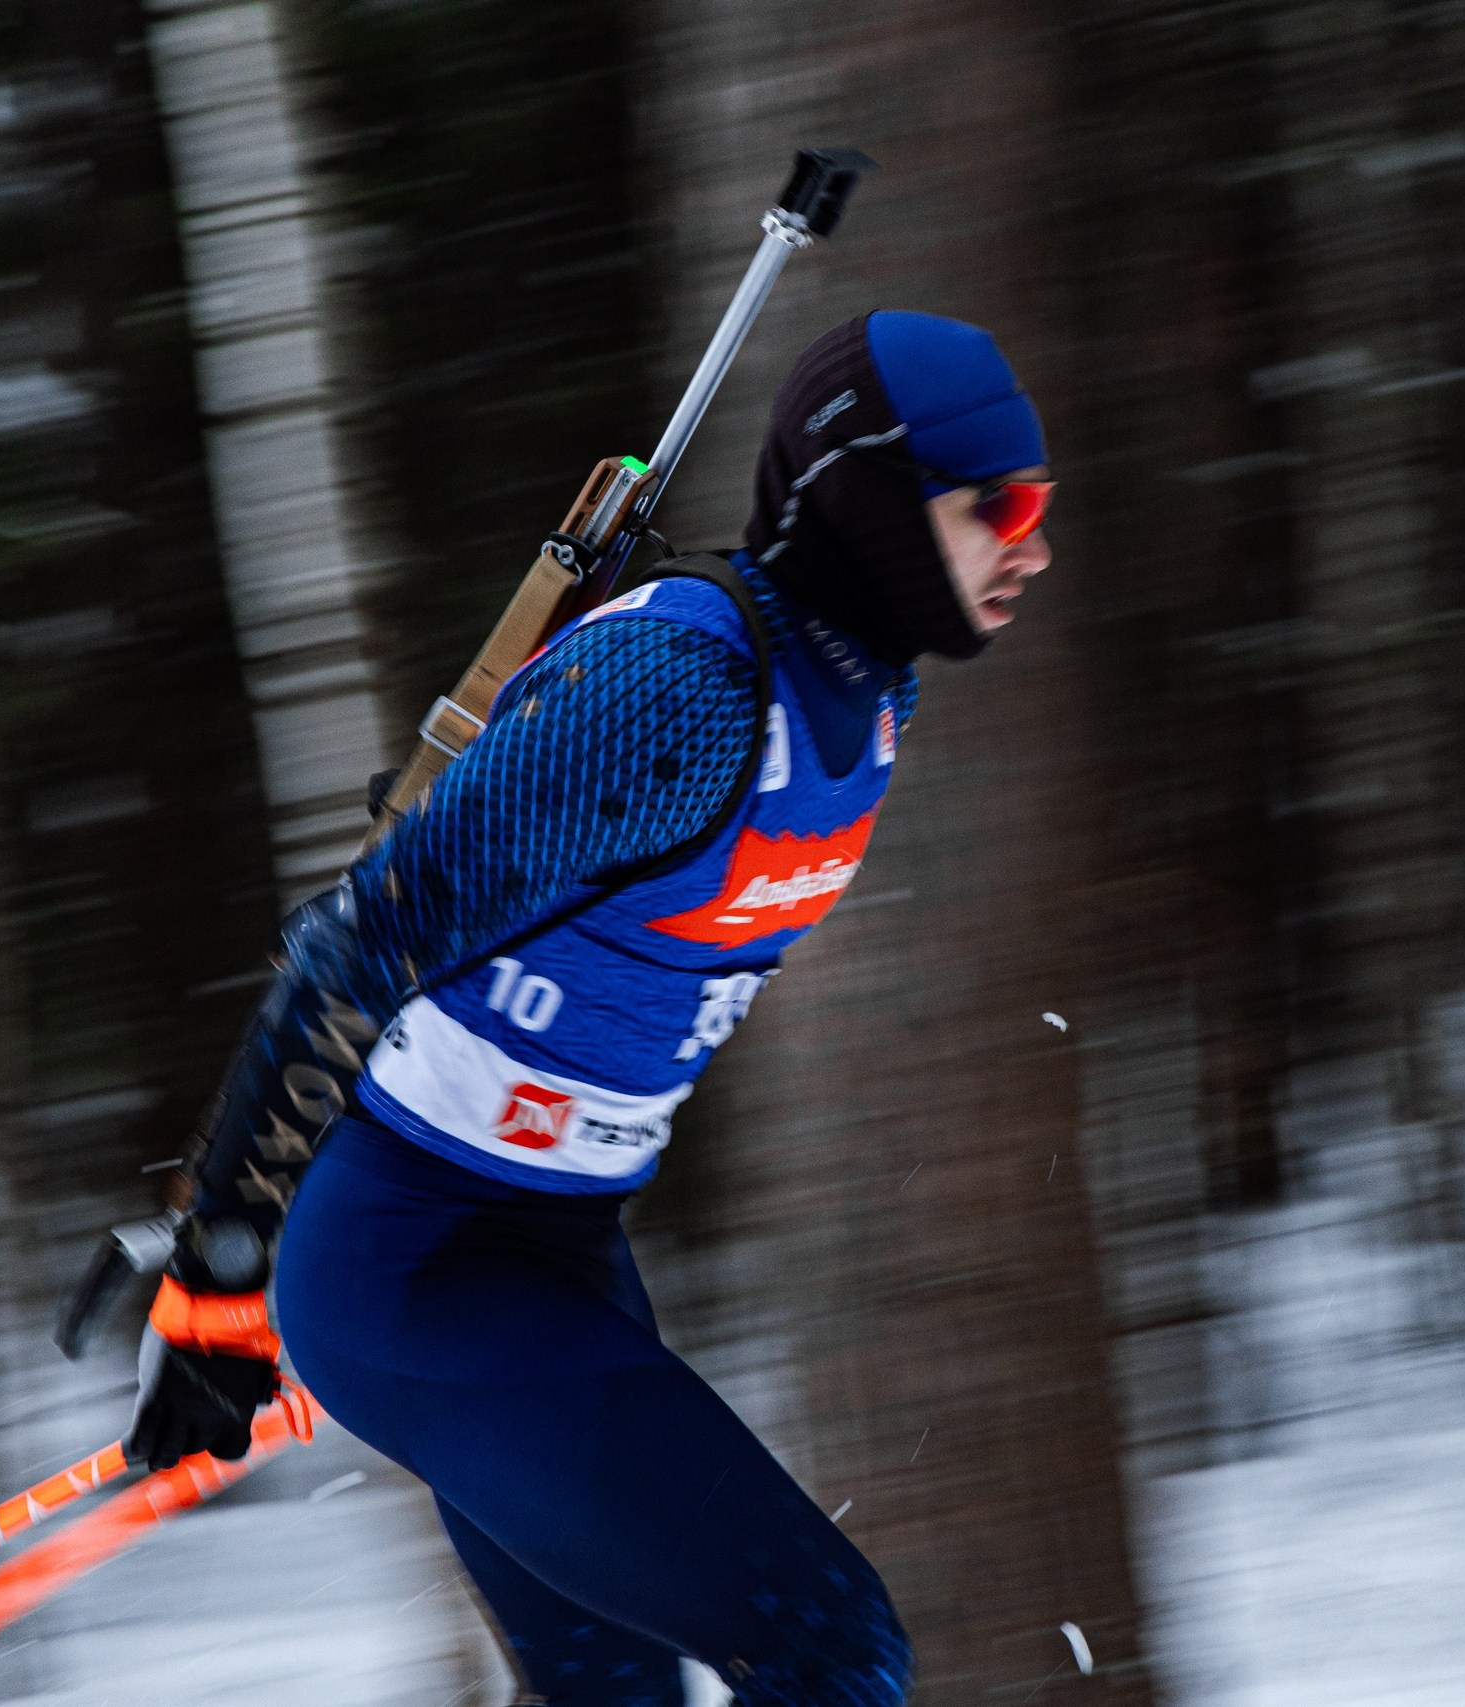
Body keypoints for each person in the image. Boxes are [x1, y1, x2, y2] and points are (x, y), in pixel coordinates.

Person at [126, 311, 1054, 1707]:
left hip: (558, 1251)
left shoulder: (860, 694)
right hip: (416, 1268)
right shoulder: (681, 694)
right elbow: (346, 956)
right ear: (869, 493)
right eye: (1002, 506)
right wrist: (218, 1291)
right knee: (830, 1645)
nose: (1033, 544)